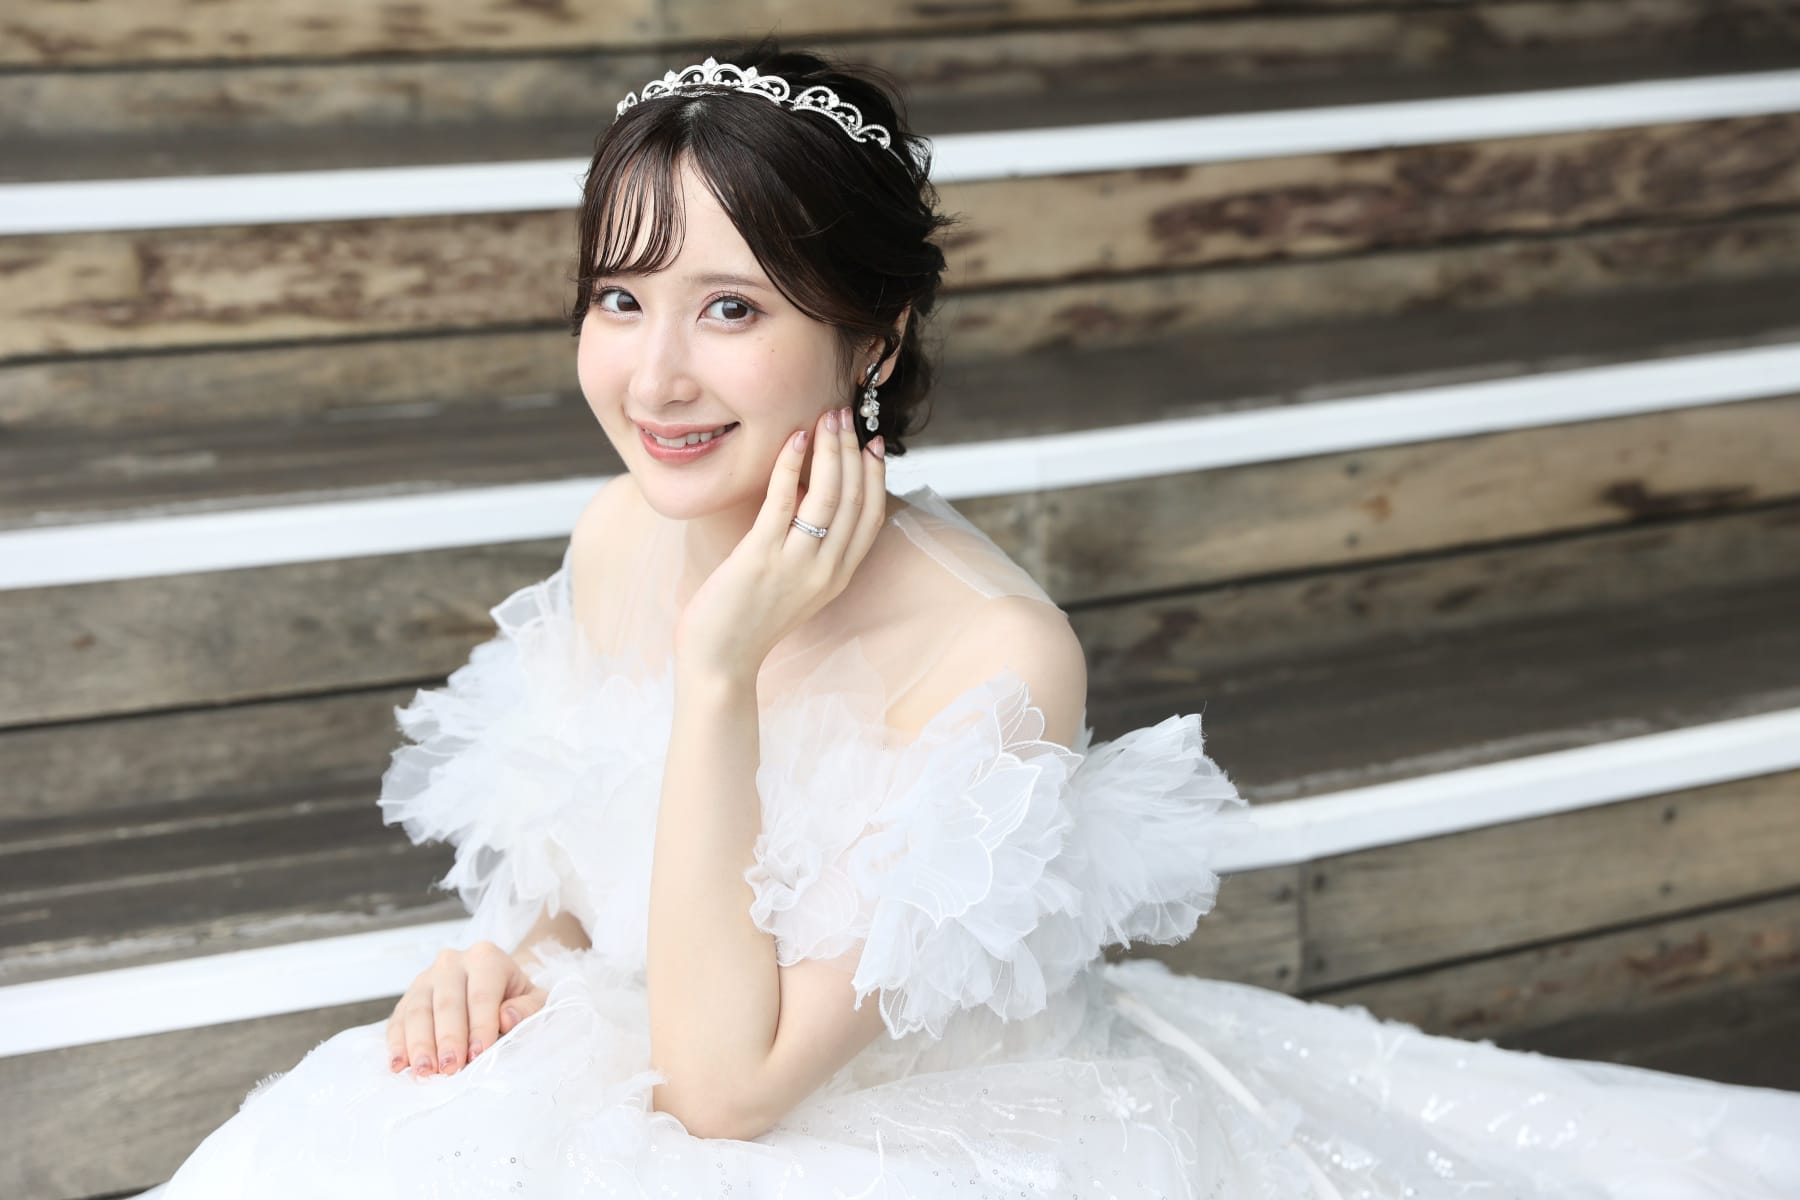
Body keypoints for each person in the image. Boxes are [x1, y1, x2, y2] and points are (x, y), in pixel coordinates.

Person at [142, 39, 1800, 1199]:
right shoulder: (614, 535)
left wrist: (722, 673)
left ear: (872, 340)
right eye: (621, 297)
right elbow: (589, 897)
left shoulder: (995, 654)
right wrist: (502, 958)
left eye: (732, 309)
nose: (655, 374)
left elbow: (728, 1094)